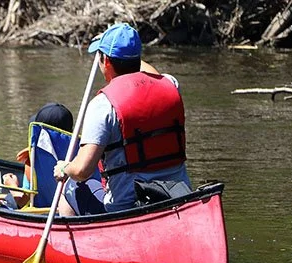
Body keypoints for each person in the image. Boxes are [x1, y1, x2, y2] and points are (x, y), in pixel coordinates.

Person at [52, 23, 191, 215]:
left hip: (126, 208)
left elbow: (83, 170)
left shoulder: (103, 105)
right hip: (176, 198)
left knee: (70, 187)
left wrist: (65, 168)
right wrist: (124, 50)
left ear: (106, 60)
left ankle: (73, 241)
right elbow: (142, 71)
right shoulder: (171, 84)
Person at [2, 103, 74, 207]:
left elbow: (22, 202)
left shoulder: (33, 159)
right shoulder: (78, 154)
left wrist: (11, 185)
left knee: (8, 199)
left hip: (41, 211)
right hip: (68, 208)